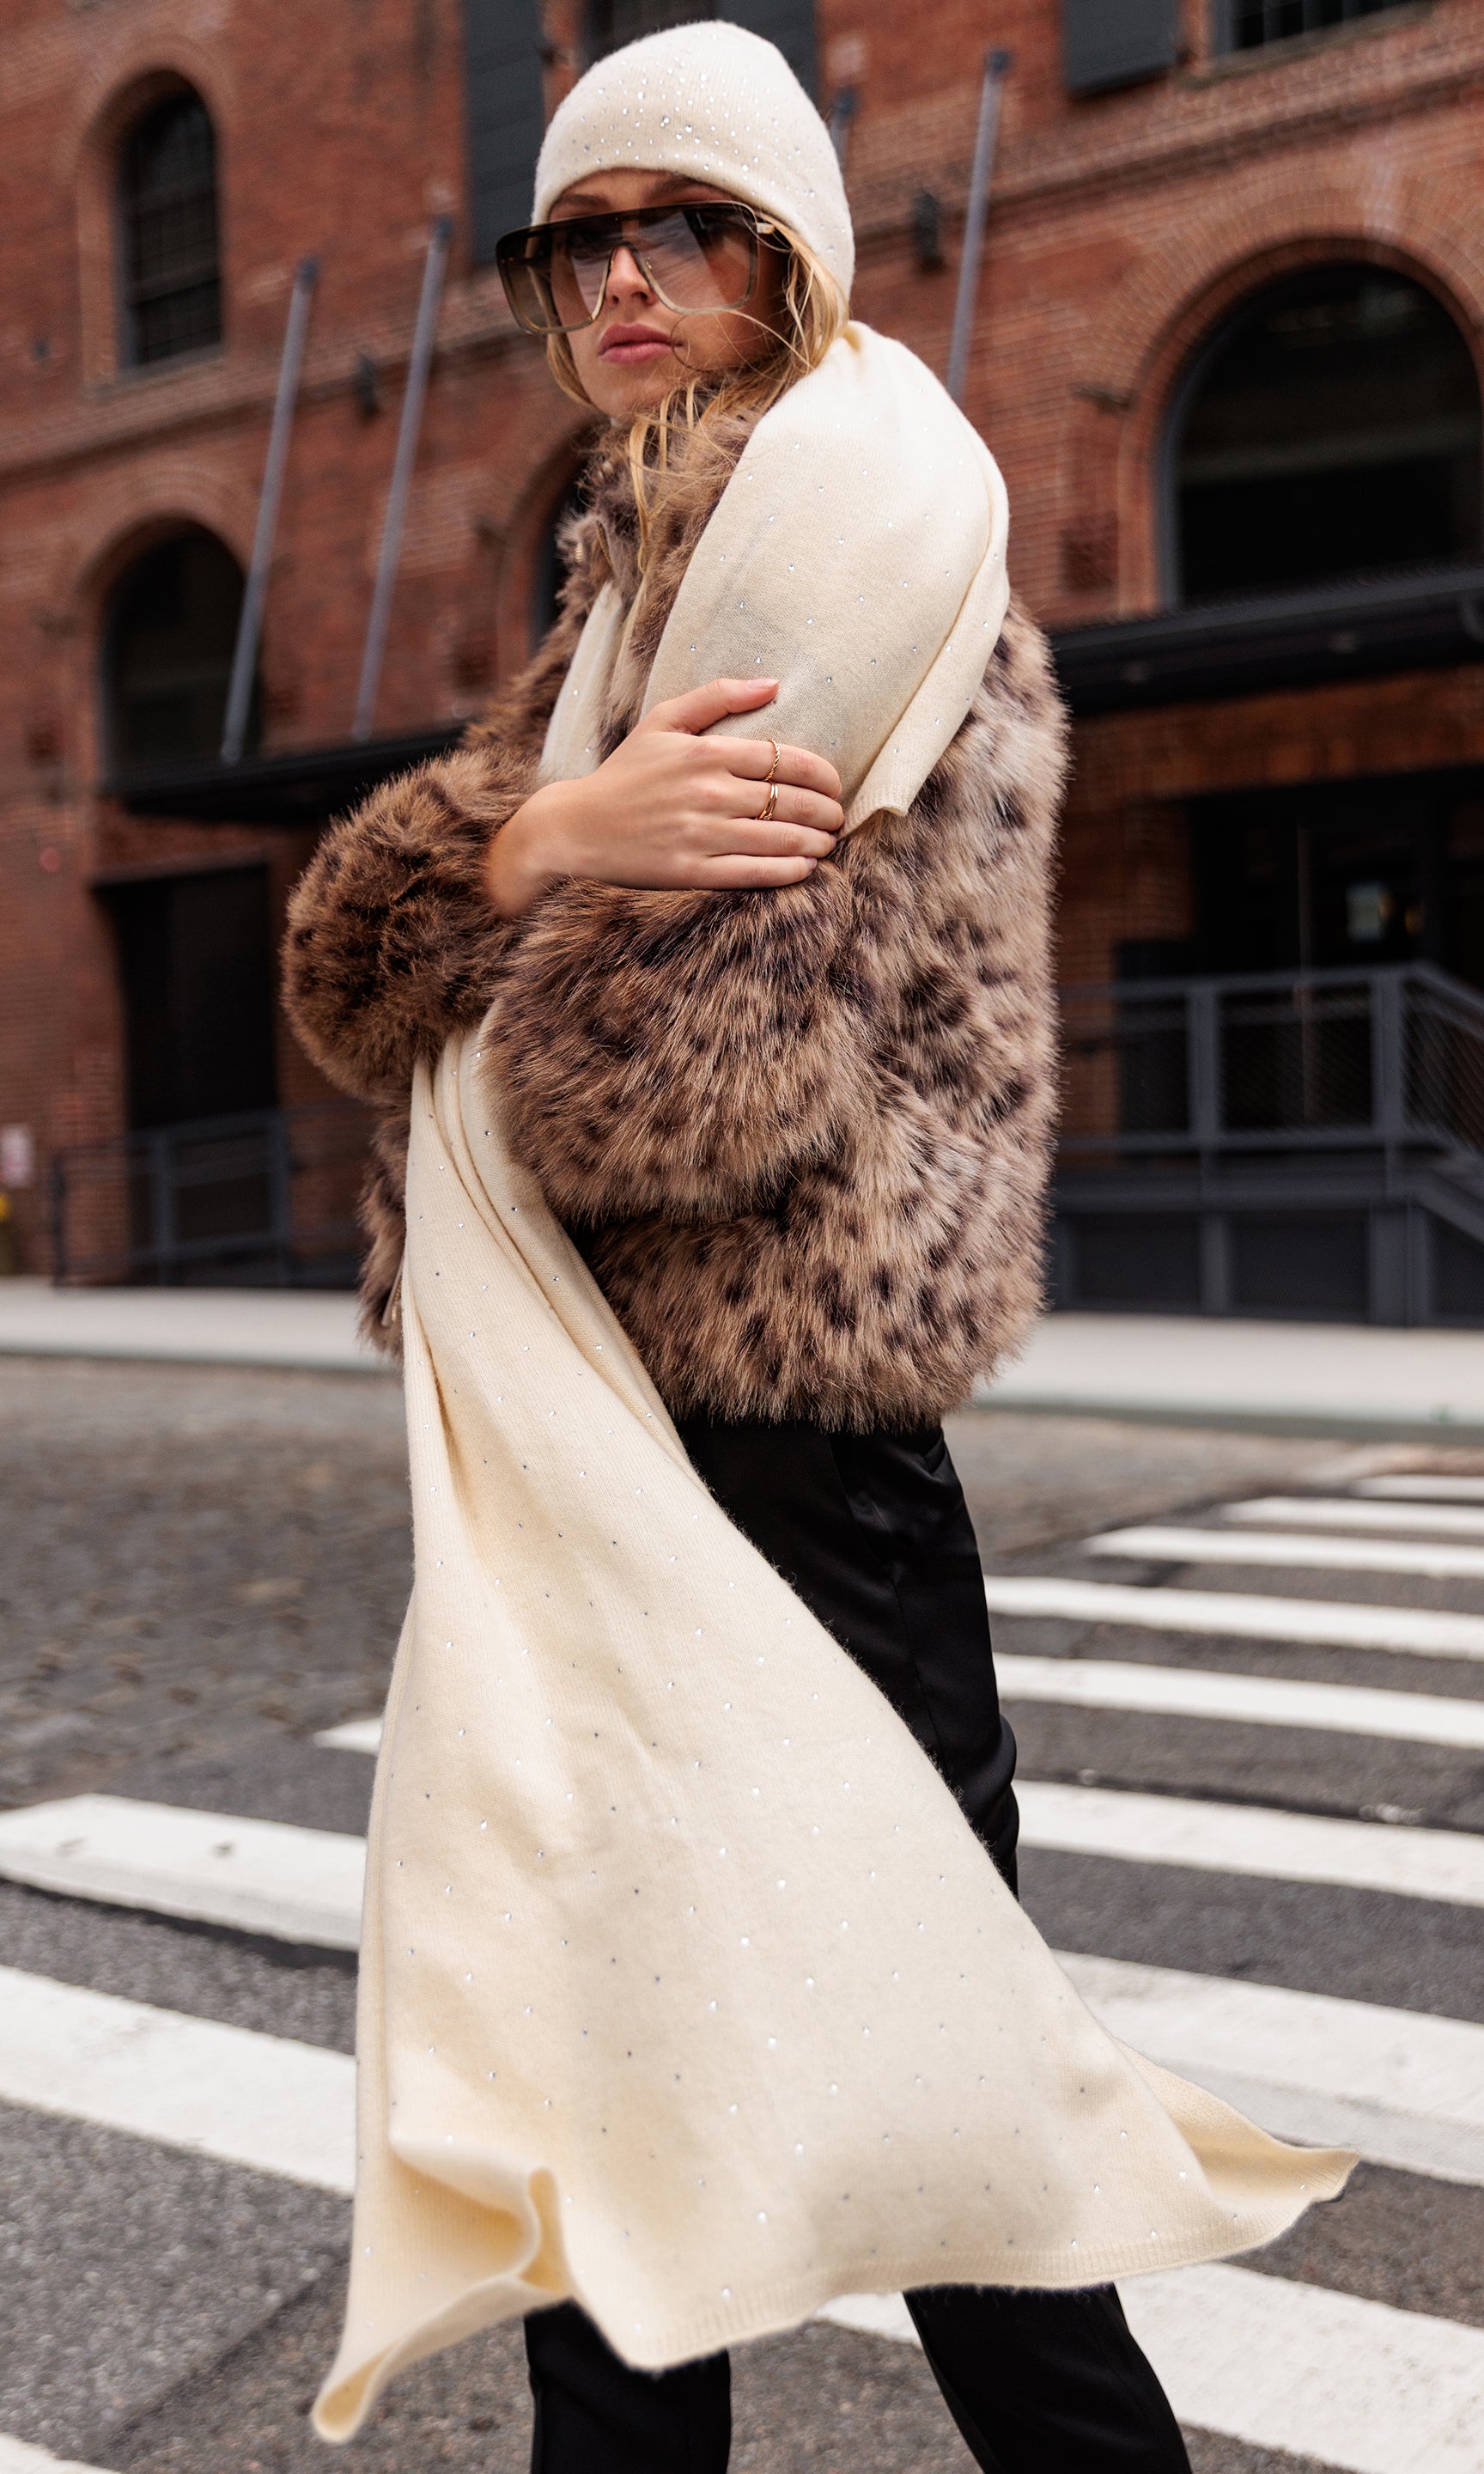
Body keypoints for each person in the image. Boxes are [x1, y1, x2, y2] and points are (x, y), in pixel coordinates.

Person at [285, 27, 1191, 2472]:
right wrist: (533, 847)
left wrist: (532, 876)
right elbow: (362, 982)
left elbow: (671, 1094)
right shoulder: (624, 599)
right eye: (577, 239)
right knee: (618, 2126)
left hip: (789, 1439)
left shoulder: (850, 550)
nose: (623, 280)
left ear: (791, 254)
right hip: (623, 1433)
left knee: (956, 2134)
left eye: (685, 227)